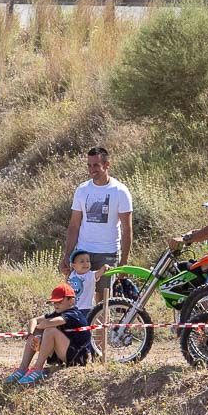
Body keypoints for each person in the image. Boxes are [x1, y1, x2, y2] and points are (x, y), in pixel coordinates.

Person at [62, 147, 132, 358]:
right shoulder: (82, 190)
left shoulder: (120, 191)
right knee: (78, 299)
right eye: (89, 165)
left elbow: (127, 229)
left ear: (107, 165)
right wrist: (67, 256)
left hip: (108, 252)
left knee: (102, 304)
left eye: (96, 165)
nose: (92, 169)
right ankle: (81, 349)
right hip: (84, 251)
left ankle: (101, 352)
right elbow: (74, 225)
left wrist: (124, 262)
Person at [10, 283, 94, 385]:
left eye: (59, 301)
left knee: (50, 331)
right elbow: (34, 320)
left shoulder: (74, 314)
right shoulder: (58, 313)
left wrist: (38, 335)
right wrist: (31, 334)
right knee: (35, 333)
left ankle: (38, 369)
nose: (56, 305)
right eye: (54, 302)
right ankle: (22, 369)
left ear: (71, 301)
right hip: (65, 353)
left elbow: (48, 323)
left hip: (78, 357)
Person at [68, 249, 108, 316]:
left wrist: (104, 268)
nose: (85, 263)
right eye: (82, 261)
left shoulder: (90, 275)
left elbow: (98, 273)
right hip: (73, 307)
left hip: (86, 308)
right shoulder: (72, 274)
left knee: (86, 324)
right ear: (74, 266)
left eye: (88, 261)